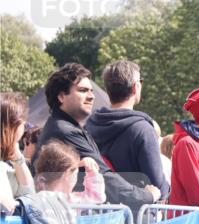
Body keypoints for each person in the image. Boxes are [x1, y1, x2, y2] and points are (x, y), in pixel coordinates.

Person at [35, 63, 158, 214]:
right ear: (61, 96)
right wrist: (145, 196)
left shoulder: (67, 127)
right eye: (83, 90)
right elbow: (104, 177)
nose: (91, 96)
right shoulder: (64, 130)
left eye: (91, 91)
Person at [85, 60, 170, 200]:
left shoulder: (88, 125)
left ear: (107, 90)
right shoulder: (143, 130)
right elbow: (157, 184)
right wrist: (167, 189)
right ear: (136, 87)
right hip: (138, 214)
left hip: (98, 211)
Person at [33, 141, 105, 204]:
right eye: (76, 173)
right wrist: (92, 172)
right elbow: (96, 197)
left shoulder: (36, 199)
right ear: (67, 173)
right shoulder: (73, 200)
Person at [1, 92, 34, 214]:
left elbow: (28, 191)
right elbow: (5, 205)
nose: (24, 128)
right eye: (23, 124)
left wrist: (17, 157)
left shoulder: (10, 159)